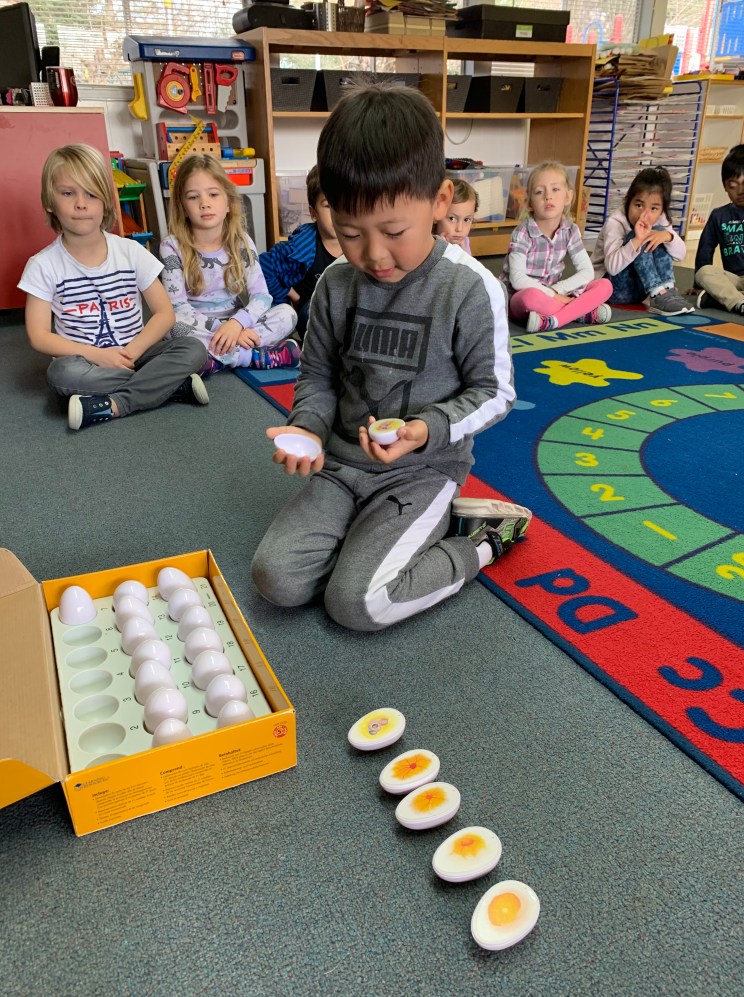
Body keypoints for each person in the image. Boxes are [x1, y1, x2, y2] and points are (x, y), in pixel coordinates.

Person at [251, 83, 532, 633]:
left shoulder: (470, 287)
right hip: (341, 468)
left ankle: (482, 541)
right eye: (351, 233)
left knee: (359, 604)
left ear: (440, 202)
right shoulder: (335, 283)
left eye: (394, 231)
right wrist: (307, 427)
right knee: (277, 581)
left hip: (423, 471)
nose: (374, 254)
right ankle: (386, 536)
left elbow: (495, 393)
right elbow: (318, 375)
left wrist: (426, 430)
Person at [18, 143, 206, 431]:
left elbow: (164, 314)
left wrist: (131, 353)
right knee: (60, 374)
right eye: (68, 193)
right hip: (86, 362)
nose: (81, 204)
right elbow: (39, 336)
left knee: (193, 348)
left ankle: (116, 403)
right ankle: (168, 387)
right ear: (50, 201)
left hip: (137, 354)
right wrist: (99, 355)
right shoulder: (43, 265)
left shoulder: (131, 251)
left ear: (106, 201)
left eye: (91, 194)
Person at [161, 154, 299, 376]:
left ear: (228, 203)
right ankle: (252, 357)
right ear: (182, 207)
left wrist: (237, 325)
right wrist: (222, 330)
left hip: (237, 323)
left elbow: (262, 297)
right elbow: (177, 306)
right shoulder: (171, 246)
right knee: (170, 325)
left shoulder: (241, 241)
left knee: (287, 314)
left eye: (213, 194)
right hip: (200, 327)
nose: (204, 203)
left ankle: (213, 359)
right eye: (193, 197)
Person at [500, 161, 613, 332]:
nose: (548, 196)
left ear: (568, 197)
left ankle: (554, 320)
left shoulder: (571, 230)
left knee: (605, 285)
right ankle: (580, 313)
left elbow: (587, 272)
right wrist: (553, 295)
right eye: (539, 192)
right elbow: (518, 279)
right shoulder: (522, 233)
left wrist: (557, 290)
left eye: (555, 189)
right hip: (521, 296)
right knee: (531, 297)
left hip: (555, 293)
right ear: (529, 202)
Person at [591, 166, 694, 315]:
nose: (644, 214)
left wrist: (667, 236)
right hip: (612, 290)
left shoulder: (660, 219)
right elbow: (612, 268)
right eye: (638, 205)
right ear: (628, 200)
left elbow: (681, 254)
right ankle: (657, 292)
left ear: (662, 210)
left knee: (659, 233)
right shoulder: (615, 222)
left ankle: (667, 290)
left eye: (654, 209)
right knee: (640, 234)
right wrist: (637, 240)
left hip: (641, 290)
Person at [258, 165, 343, 341]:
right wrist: (293, 296)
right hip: (312, 314)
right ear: (313, 213)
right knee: (315, 306)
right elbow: (263, 266)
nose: (338, 214)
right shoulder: (301, 247)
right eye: (328, 205)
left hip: (348, 313)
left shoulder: (362, 243)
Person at [695, 142, 744, 322]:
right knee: (705, 272)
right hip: (734, 280)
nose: (741, 192)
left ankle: (726, 300)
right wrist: (698, 285)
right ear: (725, 186)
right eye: (733, 185)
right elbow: (705, 250)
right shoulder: (719, 215)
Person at [434, 178, 478, 254]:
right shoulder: (428, 245)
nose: (459, 229)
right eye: (452, 219)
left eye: (466, 220)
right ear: (436, 214)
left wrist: (464, 255)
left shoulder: (464, 242)